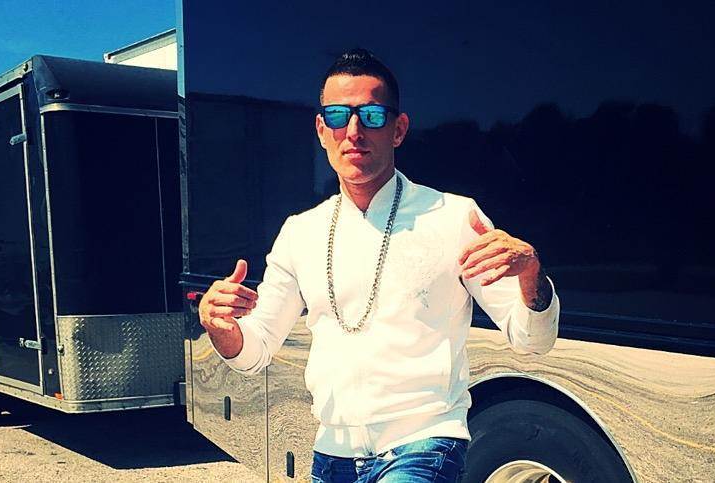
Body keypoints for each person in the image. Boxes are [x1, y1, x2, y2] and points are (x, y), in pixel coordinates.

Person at [198, 48, 560, 483]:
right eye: (338, 116)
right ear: (321, 130)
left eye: (371, 116)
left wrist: (530, 273)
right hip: (332, 452)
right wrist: (219, 326)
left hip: (424, 441)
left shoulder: (453, 217)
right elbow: (255, 351)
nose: (353, 131)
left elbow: (533, 340)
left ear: (398, 129)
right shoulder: (301, 232)